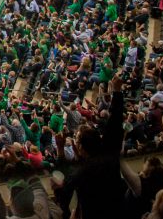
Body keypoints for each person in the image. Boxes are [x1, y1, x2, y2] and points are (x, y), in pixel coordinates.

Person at [52, 75, 127, 219]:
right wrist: (117, 92)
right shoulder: (109, 150)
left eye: (76, 139)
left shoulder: (81, 172)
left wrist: (60, 151)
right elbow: (115, 121)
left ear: (80, 147)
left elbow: (62, 193)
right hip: (118, 209)